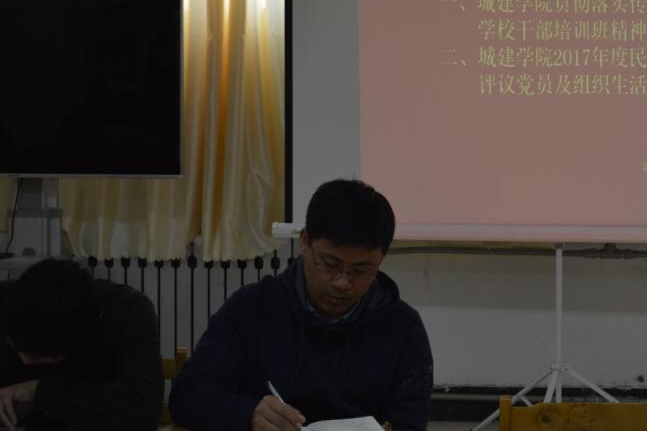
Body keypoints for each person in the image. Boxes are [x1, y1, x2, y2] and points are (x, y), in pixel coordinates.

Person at [169, 179, 433, 431]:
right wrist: (248, 415)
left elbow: (409, 422)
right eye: (330, 264)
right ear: (304, 242)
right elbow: (187, 396)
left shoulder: (402, 328)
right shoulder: (252, 308)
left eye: (362, 269)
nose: (343, 282)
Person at [0, 257, 164, 431]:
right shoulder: (5, 300)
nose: (24, 360)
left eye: (39, 356)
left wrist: (39, 393)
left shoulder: (126, 311)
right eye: (13, 344)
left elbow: (144, 410)